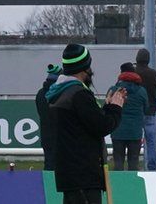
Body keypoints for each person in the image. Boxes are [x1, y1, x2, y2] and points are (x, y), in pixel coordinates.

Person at [47, 43, 125, 204]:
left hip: (69, 175)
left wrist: (106, 108)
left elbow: (84, 123)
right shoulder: (79, 94)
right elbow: (102, 126)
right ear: (85, 68)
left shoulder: (60, 92)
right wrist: (115, 108)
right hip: (84, 175)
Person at [109, 63, 148, 171]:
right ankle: (133, 185)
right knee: (133, 162)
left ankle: (117, 185)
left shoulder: (114, 90)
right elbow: (146, 109)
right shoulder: (142, 91)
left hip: (117, 131)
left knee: (118, 162)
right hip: (135, 132)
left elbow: (107, 108)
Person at [134, 48, 156, 171]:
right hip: (150, 111)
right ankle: (152, 167)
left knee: (134, 140)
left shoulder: (133, 73)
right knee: (151, 141)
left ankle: (133, 165)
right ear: (148, 59)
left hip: (136, 111)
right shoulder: (153, 74)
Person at [36, 63, 62, 171]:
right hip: (60, 134)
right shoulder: (60, 93)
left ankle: (48, 186)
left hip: (46, 133)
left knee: (49, 163)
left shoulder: (40, 93)